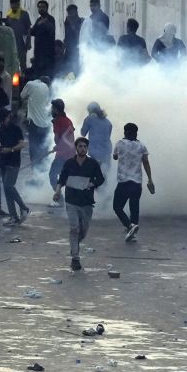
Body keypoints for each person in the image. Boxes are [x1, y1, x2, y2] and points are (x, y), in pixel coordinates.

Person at [55, 136, 106, 272]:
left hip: (87, 202)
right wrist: (58, 191)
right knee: (74, 228)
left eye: (84, 146)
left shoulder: (93, 164)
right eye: (80, 146)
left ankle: (74, 246)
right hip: (71, 200)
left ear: (87, 148)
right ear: (76, 148)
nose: (82, 149)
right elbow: (62, 179)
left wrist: (92, 183)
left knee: (83, 231)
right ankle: (75, 258)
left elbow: (100, 179)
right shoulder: (69, 163)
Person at [111, 122, 154, 243]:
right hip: (136, 182)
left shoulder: (119, 144)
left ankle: (130, 226)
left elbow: (114, 157)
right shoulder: (141, 146)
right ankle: (133, 232)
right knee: (134, 208)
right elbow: (146, 162)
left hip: (124, 181)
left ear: (125, 132)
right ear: (136, 133)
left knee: (117, 207)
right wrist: (150, 179)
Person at [0, 110, 29, 225]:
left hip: (14, 162)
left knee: (8, 186)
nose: (1, 123)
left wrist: (10, 149)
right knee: (6, 189)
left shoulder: (16, 129)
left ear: (8, 117)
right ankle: (13, 216)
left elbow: (22, 144)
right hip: (3, 162)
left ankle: (23, 207)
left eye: (2, 120)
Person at [48, 100, 76, 201]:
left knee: (52, 175)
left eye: (52, 108)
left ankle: (60, 199)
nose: (51, 110)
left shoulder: (57, 121)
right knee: (68, 179)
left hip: (62, 156)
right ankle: (70, 201)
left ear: (56, 109)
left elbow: (57, 138)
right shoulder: (68, 120)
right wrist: (58, 146)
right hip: (72, 154)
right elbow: (69, 137)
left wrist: (58, 146)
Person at [79, 102, 113, 179]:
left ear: (90, 111)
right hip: (106, 153)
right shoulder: (108, 122)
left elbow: (83, 133)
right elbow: (107, 137)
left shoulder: (89, 119)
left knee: (92, 178)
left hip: (95, 154)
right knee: (104, 179)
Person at [30, 0, 56, 78]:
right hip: (38, 52)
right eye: (39, 7)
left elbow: (51, 31)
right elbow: (33, 32)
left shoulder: (50, 19)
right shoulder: (39, 20)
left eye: (43, 7)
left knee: (46, 74)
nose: (41, 9)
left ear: (47, 8)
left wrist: (45, 23)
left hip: (47, 53)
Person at [5, 0, 31, 68]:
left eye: (16, 4)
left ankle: (23, 75)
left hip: (21, 41)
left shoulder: (24, 14)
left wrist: (28, 42)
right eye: (12, 4)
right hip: (11, 42)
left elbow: (28, 28)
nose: (14, 6)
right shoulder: (9, 15)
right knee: (11, 60)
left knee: (22, 60)